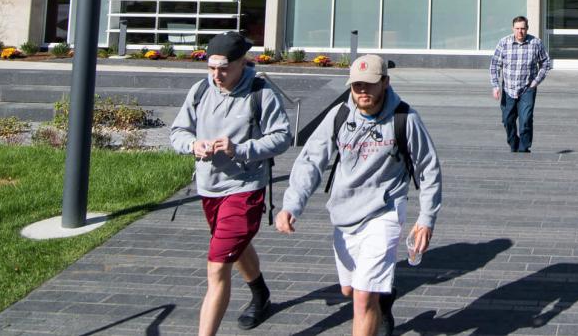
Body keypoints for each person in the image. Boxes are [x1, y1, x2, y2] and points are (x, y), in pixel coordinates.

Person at [277, 54, 442, 336]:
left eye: (369, 84)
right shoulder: (339, 116)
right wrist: (292, 204)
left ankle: (377, 295)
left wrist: (426, 218)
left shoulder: (405, 118)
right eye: (356, 86)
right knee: (350, 290)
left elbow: (429, 168)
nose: (362, 91)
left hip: (385, 211)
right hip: (344, 213)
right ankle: (385, 296)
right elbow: (311, 161)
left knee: (364, 297)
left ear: (385, 83)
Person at [170, 31, 292, 334]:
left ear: (242, 63)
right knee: (234, 248)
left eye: (223, 68)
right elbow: (178, 131)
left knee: (217, 264)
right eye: (211, 68)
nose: (216, 75)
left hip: (246, 187)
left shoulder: (261, 92)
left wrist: (242, 149)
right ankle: (261, 294)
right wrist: (193, 144)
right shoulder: (200, 90)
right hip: (209, 186)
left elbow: (282, 137)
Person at [489, 16, 552, 153]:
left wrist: (535, 82)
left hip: (527, 88)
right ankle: (514, 143)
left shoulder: (535, 43)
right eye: (517, 29)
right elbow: (494, 65)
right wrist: (495, 86)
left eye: (523, 28)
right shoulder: (504, 43)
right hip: (508, 88)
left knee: (526, 120)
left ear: (527, 28)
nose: (520, 32)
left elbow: (546, 63)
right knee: (507, 120)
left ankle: (524, 148)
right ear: (513, 29)